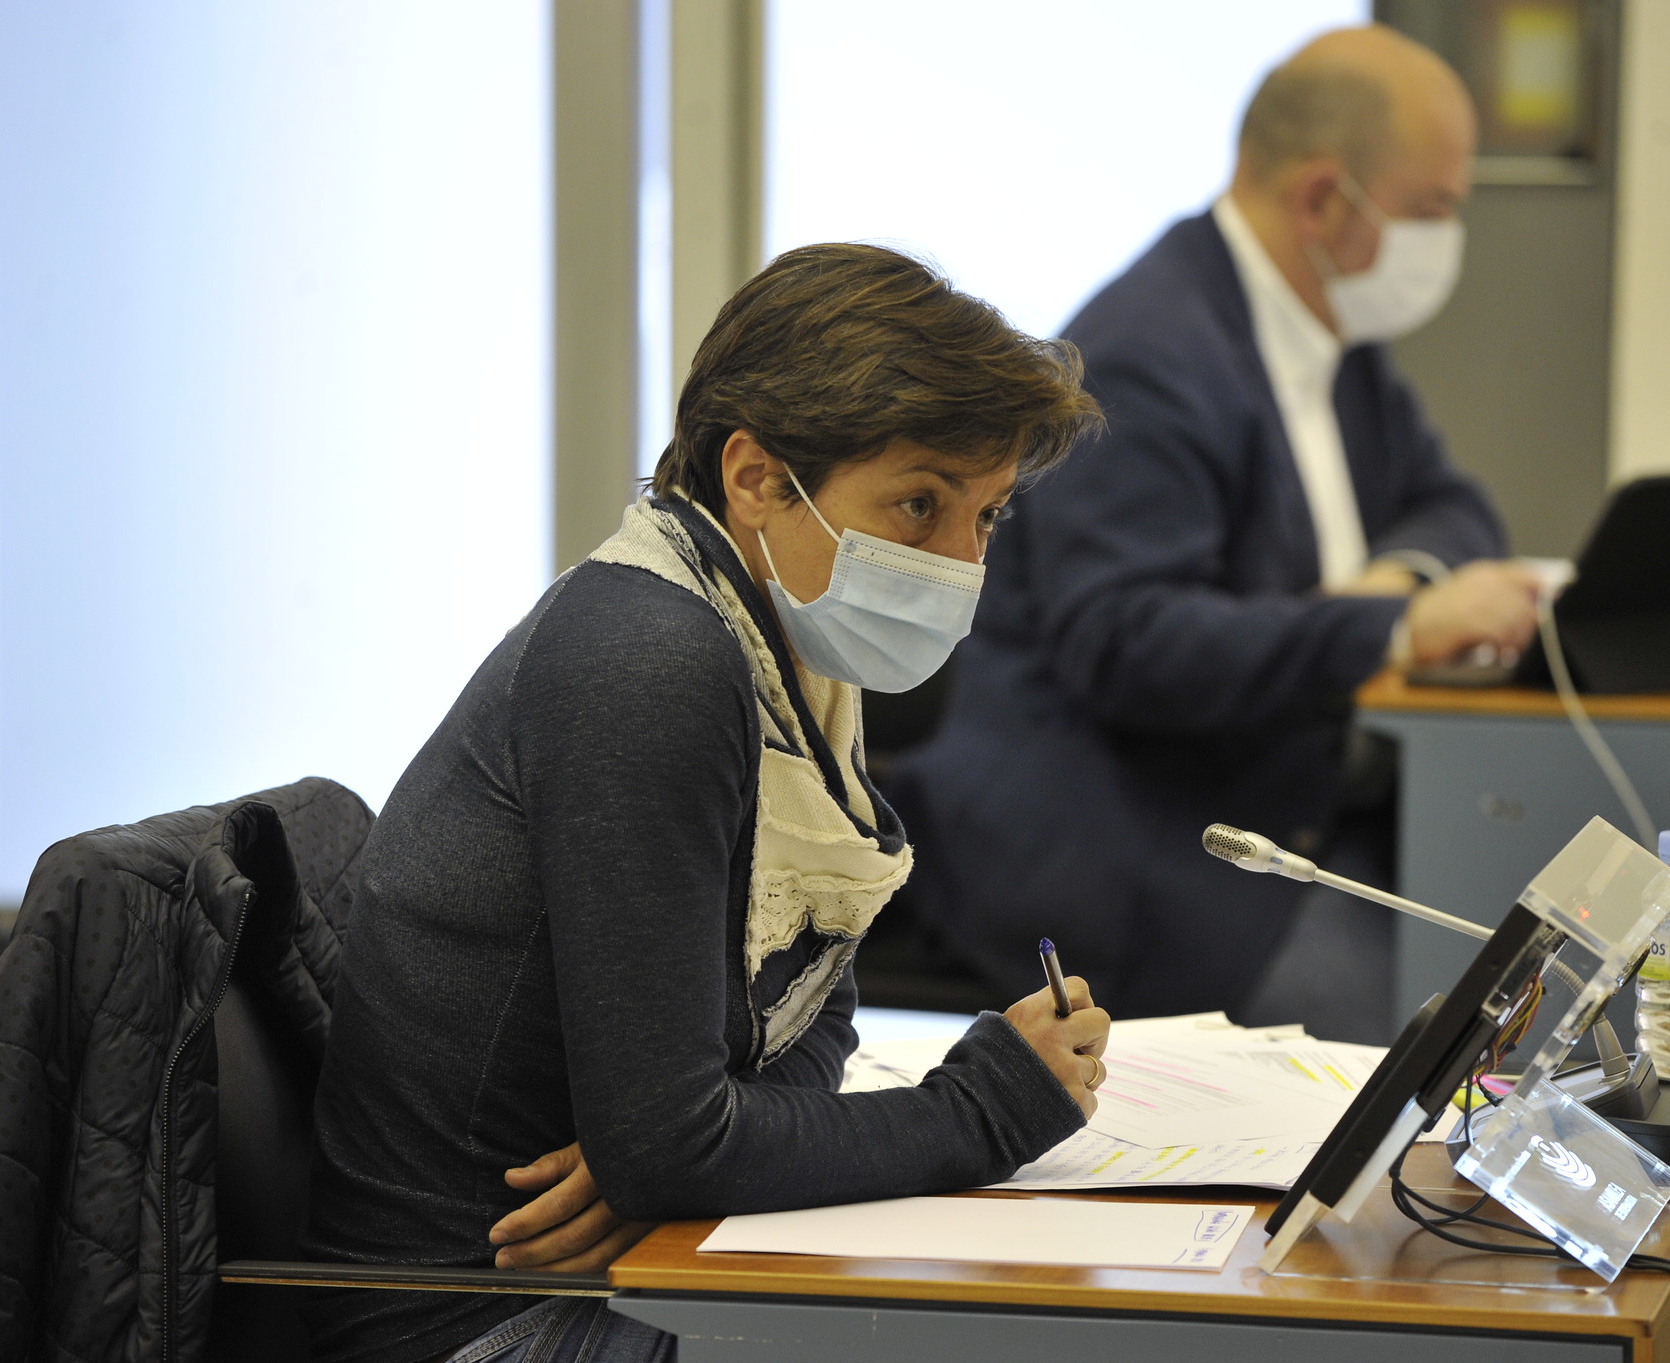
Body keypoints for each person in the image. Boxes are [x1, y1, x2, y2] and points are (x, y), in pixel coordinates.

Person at [300, 244, 1110, 1363]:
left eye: (989, 516)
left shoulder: (785, 644)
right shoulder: (652, 661)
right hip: (484, 1321)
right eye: (920, 504)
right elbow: (676, 1146)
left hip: (638, 1265)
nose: (959, 562)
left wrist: (699, 1155)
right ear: (757, 477)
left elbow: (805, 1018)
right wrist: (986, 1109)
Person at [896, 25, 1540, 1040]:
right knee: (1420, 1056)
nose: (1447, 237)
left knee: (1518, 981)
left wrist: (1395, 581)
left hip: (1294, 803)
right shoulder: (1148, 354)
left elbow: (1457, 506)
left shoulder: (1331, 333)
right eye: (1431, 209)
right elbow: (1128, 643)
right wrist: (1394, 629)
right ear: (1324, 201)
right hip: (1145, 849)